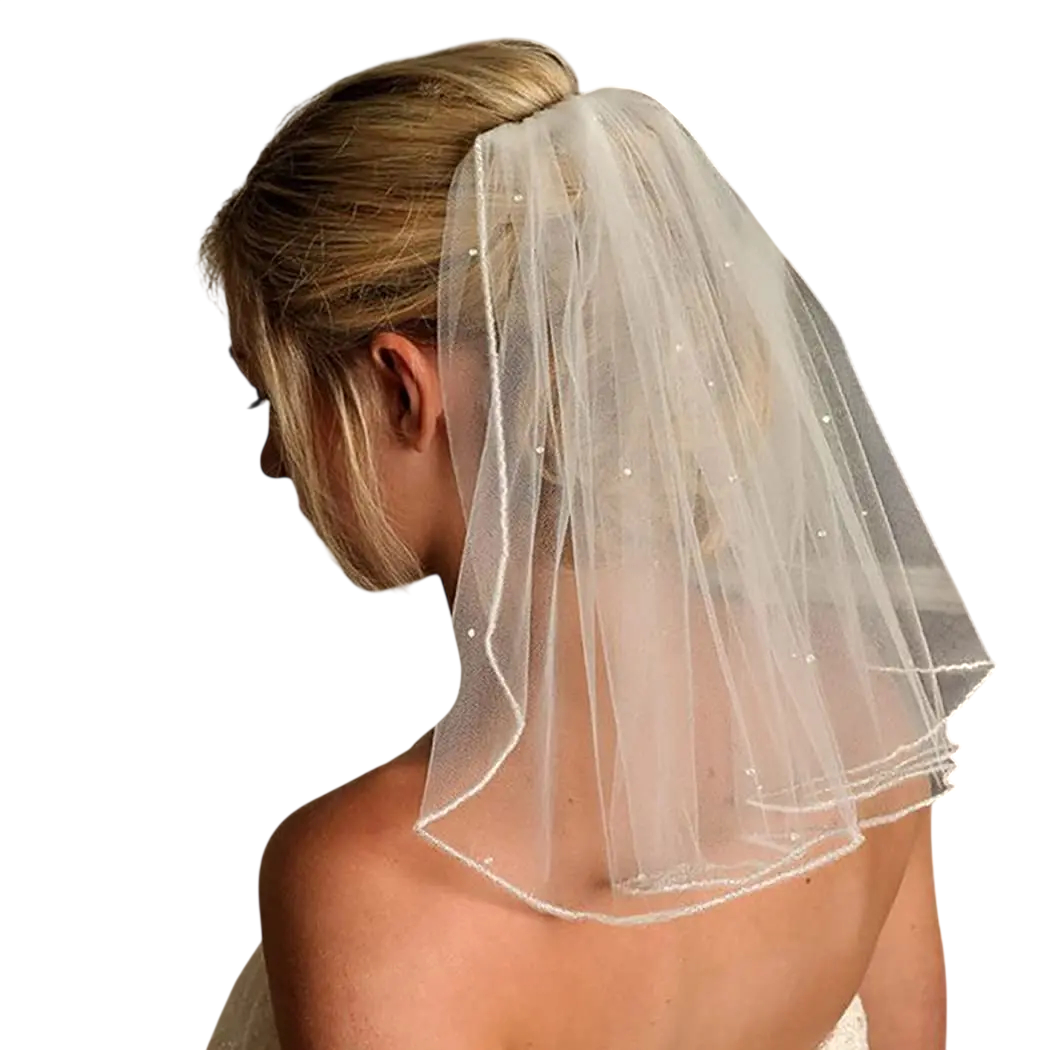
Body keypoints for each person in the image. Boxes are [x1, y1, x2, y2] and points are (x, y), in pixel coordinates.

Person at [199, 38, 994, 1050]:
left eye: (271, 396)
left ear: (403, 387)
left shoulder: (368, 882)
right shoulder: (860, 717)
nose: (275, 459)